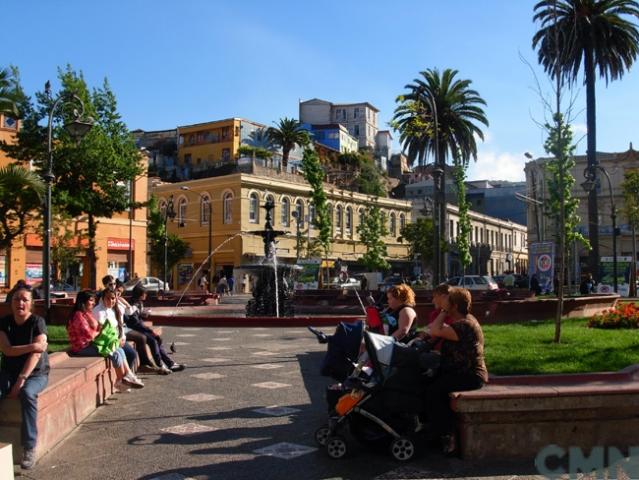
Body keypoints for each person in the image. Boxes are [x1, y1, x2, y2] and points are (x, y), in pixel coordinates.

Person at [426, 287, 488, 456]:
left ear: (453, 306)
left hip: (470, 376)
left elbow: (435, 330)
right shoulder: (462, 321)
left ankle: (448, 435)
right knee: (428, 382)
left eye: (447, 303)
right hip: (460, 372)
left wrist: (443, 310)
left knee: (434, 391)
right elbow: (435, 332)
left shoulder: (464, 325)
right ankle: (434, 431)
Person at [0, 285, 49, 469]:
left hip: (35, 374)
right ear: (11, 303)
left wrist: (21, 380)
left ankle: (29, 447)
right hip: (8, 372)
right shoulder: (4, 323)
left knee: (27, 394)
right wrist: (32, 346)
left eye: (24, 300)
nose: (20, 303)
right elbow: (7, 350)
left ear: (31, 304)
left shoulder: (38, 322)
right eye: (16, 299)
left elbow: (36, 356)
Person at [66, 290, 143, 389]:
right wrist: (103, 331)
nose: (93, 303)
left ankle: (126, 375)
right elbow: (90, 335)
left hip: (92, 344)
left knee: (119, 350)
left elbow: (98, 328)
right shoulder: (78, 315)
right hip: (82, 347)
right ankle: (120, 380)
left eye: (94, 300)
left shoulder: (86, 313)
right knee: (113, 352)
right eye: (91, 300)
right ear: (83, 301)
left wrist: (103, 331)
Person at [128, 285, 185, 373]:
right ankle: (161, 365)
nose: (146, 295)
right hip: (133, 329)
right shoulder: (132, 305)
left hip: (139, 328)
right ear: (140, 294)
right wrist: (151, 332)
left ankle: (170, 364)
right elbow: (136, 323)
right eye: (145, 293)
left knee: (156, 340)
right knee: (154, 340)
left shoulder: (138, 303)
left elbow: (138, 319)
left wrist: (143, 315)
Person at [93, 288, 143, 381]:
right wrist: (117, 340)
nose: (111, 301)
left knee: (132, 353)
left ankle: (127, 377)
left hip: (117, 339)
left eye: (113, 298)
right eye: (108, 298)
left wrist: (122, 337)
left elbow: (119, 325)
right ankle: (123, 378)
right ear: (102, 298)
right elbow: (104, 332)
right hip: (106, 342)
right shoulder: (98, 312)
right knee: (125, 353)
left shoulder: (114, 309)